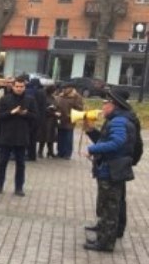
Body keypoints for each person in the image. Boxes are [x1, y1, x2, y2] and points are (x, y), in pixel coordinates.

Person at [82, 90, 137, 252]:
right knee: (107, 206)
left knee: (110, 207)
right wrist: (91, 131)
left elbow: (117, 142)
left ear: (113, 105)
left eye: (105, 104)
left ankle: (105, 243)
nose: (103, 107)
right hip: (112, 168)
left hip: (112, 169)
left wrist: (93, 149)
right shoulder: (119, 119)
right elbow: (108, 139)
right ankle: (103, 238)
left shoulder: (119, 121)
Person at [0, 77, 36, 196]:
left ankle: (19, 187)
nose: (19, 89)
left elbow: (35, 116)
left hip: (22, 136)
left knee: (20, 164)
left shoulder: (30, 100)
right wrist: (11, 112)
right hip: (7, 135)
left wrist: (26, 113)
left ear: (24, 87)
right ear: (13, 87)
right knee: (2, 162)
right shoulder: (6, 99)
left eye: (21, 87)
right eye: (17, 86)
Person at [54, 81, 85, 159]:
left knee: (68, 137)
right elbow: (57, 104)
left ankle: (67, 153)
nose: (64, 90)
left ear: (71, 88)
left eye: (66, 88)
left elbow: (80, 108)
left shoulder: (76, 97)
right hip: (60, 119)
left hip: (70, 119)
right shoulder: (60, 96)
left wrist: (71, 115)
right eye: (63, 88)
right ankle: (60, 152)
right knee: (60, 136)